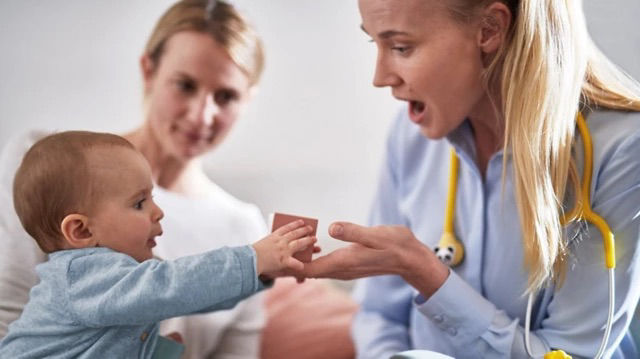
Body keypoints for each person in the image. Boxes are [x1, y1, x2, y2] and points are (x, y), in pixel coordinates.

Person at [303, 0, 640, 358]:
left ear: (489, 29)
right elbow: (379, 314)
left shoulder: (621, 150)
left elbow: (568, 353)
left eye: (401, 47)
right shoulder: (410, 135)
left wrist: (429, 277)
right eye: (376, 43)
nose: (380, 77)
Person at [0, 1, 271, 357]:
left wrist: (265, 268)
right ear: (148, 70)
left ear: (248, 100)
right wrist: (254, 262)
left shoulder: (245, 226)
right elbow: (10, 312)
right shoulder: (49, 165)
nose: (202, 115)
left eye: (226, 96)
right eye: (185, 85)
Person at [0, 131, 316, 358]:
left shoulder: (121, 283)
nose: (158, 211)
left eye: (152, 197)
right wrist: (253, 260)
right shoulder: (81, 277)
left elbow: (192, 296)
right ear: (81, 231)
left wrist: (264, 272)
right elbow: (175, 285)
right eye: (139, 203)